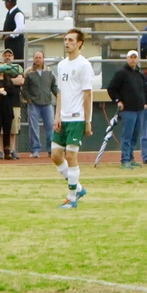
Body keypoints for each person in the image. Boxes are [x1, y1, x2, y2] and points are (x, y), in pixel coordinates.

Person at [52, 29, 93, 209]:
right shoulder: (61, 65)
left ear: (79, 43)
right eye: (65, 39)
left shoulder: (84, 65)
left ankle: (71, 197)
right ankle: (79, 188)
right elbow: (60, 93)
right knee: (55, 155)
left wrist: (87, 120)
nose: (67, 43)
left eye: (70, 40)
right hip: (63, 117)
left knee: (70, 155)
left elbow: (87, 95)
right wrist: (57, 115)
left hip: (77, 117)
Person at [107, 50, 147, 168]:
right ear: (127, 59)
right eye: (131, 57)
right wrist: (118, 101)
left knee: (135, 135)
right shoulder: (121, 73)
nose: (133, 59)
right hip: (128, 110)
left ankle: (131, 157)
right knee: (127, 136)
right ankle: (125, 160)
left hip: (139, 109)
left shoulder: (139, 75)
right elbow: (111, 88)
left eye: (135, 57)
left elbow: (143, 90)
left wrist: (145, 102)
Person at [23, 51, 58, 158]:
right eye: (36, 57)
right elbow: (24, 88)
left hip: (47, 103)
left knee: (51, 127)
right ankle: (35, 150)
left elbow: (53, 86)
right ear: (33, 59)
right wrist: (28, 99)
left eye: (40, 57)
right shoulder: (28, 72)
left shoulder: (49, 71)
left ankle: (51, 149)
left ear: (43, 59)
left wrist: (58, 95)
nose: (38, 59)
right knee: (33, 128)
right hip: (33, 104)